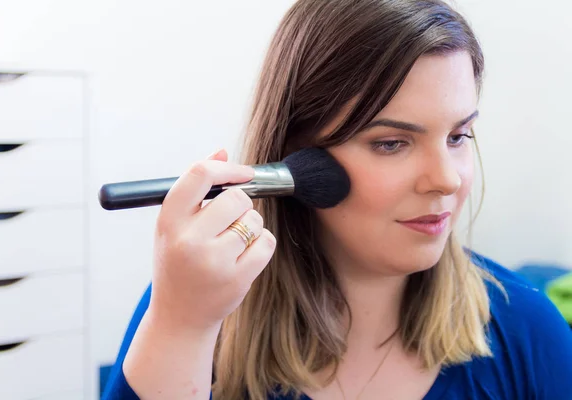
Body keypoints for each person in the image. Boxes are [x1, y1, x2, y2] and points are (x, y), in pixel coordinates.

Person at [102, 0, 572, 399]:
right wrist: (182, 328)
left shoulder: (527, 327)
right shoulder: (194, 309)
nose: (446, 180)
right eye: (391, 143)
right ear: (293, 153)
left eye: (458, 135)